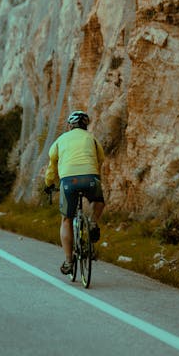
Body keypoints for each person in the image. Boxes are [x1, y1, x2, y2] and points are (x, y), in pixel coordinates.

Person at [44, 110, 105, 275]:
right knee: (99, 202)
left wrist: (49, 183)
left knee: (66, 220)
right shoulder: (91, 138)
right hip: (90, 178)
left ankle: (69, 260)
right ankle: (92, 223)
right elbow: (101, 157)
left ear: (70, 125)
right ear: (86, 125)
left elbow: (52, 164)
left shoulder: (61, 139)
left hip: (68, 182)